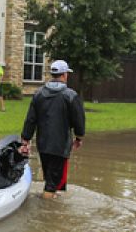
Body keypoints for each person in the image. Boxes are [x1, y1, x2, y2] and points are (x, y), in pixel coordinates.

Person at [20, 59, 86, 199]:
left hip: (43, 144)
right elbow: (79, 119)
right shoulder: (71, 95)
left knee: (49, 177)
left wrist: (25, 139)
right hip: (60, 146)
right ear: (65, 75)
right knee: (52, 183)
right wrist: (79, 137)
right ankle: (47, 212)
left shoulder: (38, 94)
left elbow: (31, 119)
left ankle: (49, 197)